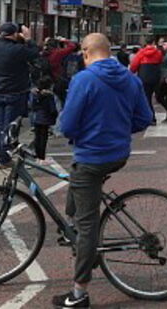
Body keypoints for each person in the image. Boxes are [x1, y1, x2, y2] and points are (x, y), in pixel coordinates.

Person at [53, 33, 152, 307]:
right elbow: (144, 118)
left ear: (86, 53)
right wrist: (119, 130)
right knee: (76, 200)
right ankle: (86, 246)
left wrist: (79, 133)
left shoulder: (84, 79)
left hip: (91, 156)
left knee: (87, 226)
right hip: (118, 153)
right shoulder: (130, 78)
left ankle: (79, 293)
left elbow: (68, 125)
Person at [0, 23, 39, 167]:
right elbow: (35, 53)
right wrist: (28, 39)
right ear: (15, 34)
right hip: (15, 91)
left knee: (0, 124)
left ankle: (3, 153)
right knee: (9, 125)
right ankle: (4, 156)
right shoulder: (18, 49)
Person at [129, 37, 163, 124]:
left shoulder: (141, 53)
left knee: (147, 97)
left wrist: (131, 72)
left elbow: (134, 65)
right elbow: (160, 61)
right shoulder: (158, 52)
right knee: (158, 95)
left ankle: (152, 117)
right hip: (155, 76)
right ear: (153, 42)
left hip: (144, 76)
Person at [30, 75, 58, 161]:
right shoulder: (49, 96)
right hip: (45, 119)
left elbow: (33, 106)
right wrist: (54, 115)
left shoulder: (36, 94)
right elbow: (52, 109)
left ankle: (37, 153)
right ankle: (41, 155)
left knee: (37, 137)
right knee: (43, 138)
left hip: (37, 118)